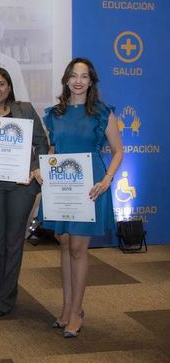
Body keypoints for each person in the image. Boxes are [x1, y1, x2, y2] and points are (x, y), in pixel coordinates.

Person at [41, 57, 123, 338]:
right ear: (66, 80)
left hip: (90, 188)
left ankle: (77, 311)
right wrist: (43, 171)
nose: (78, 81)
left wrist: (107, 180)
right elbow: (54, 150)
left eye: (84, 76)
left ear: (91, 81)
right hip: (62, 187)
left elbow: (118, 151)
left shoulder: (103, 113)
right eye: (74, 75)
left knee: (78, 249)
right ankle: (65, 309)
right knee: (64, 246)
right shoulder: (54, 113)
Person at [0, 67, 49, 317]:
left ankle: (5, 299)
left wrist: (36, 167)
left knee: (14, 242)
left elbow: (42, 141)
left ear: (9, 87)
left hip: (21, 187)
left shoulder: (24, 110)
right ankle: (0, 292)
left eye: (2, 84)